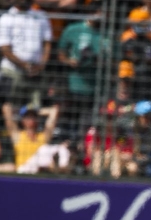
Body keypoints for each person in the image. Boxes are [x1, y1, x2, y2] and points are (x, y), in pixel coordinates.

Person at [0, 0, 52, 108]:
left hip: (36, 72)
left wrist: (41, 65)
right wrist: (25, 66)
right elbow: (4, 48)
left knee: (35, 108)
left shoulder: (41, 16)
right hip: (12, 71)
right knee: (13, 107)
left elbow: (47, 43)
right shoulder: (6, 18)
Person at [57, 7, 102, 135]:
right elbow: (61, 53)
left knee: (88, 123)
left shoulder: (105, 33)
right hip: (73, 85)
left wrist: (99, 60)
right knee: (71, 119)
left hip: (95, 87)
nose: (98, 15)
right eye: (96, 11)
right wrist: (69, 61)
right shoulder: (73, 29)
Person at [2, 102, 58, 173]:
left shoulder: (43, 137)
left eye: (34, 116)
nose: (31, 119)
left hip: (39, 173)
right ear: (23, 120)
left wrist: (38, 111)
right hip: (23, 172)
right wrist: (22, 110)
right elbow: (6, 108)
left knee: (46, 150)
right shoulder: (18, 136)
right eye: (28, 116)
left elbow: (54, 111)